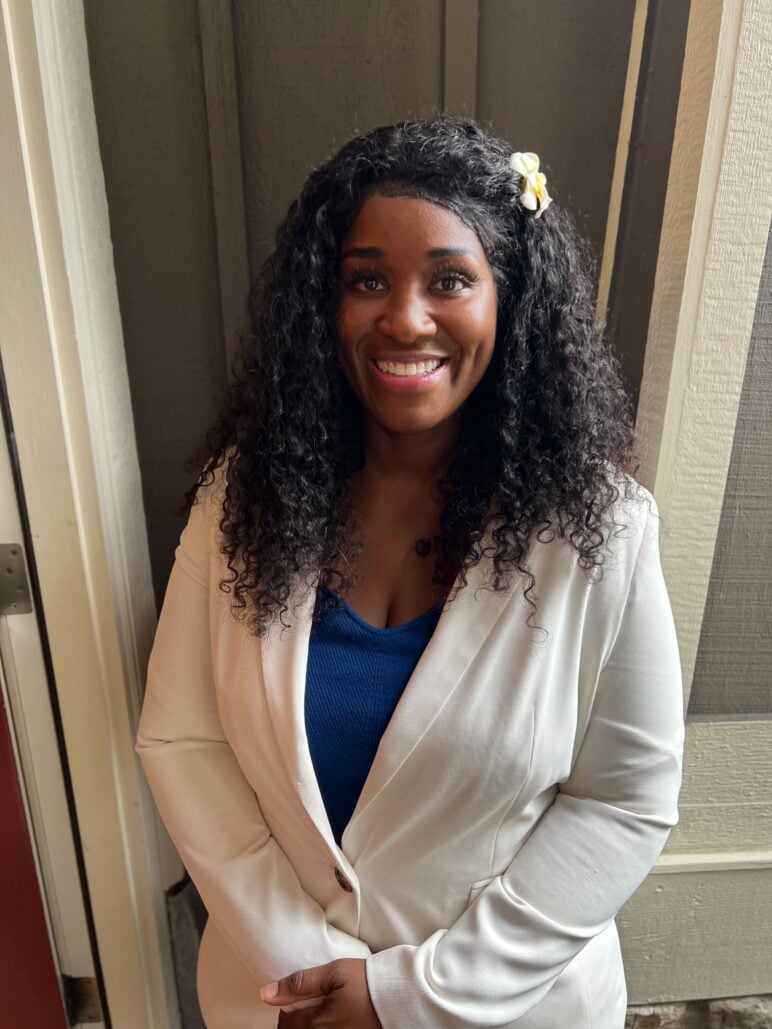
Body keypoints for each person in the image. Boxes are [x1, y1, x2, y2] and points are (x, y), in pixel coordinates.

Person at [136, 117, 685, 1028]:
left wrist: (410, 998)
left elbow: (624, 800)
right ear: (326, 303)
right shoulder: (244, 496)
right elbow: (184, 743)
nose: (405, 316)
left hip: (513, 1005)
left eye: (450, 279)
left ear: (508, 299)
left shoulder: (603, 532)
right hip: (284, 998)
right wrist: (317, 972)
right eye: (367, 281)